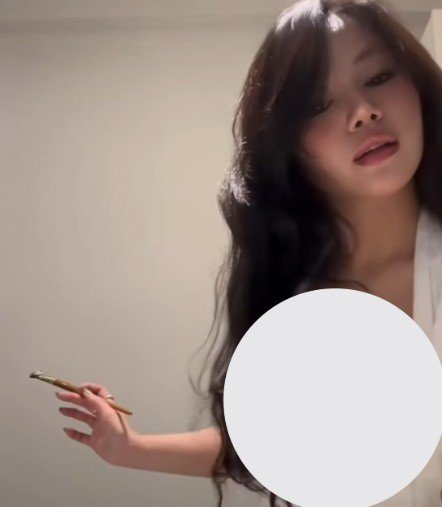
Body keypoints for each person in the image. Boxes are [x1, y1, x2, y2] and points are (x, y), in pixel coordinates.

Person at [56, 0, 442, 506]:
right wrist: (131, 447)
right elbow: (269, 446)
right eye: (317, 105)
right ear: (290, 146)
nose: (363, 112)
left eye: (378, 77)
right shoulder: (297, 300)